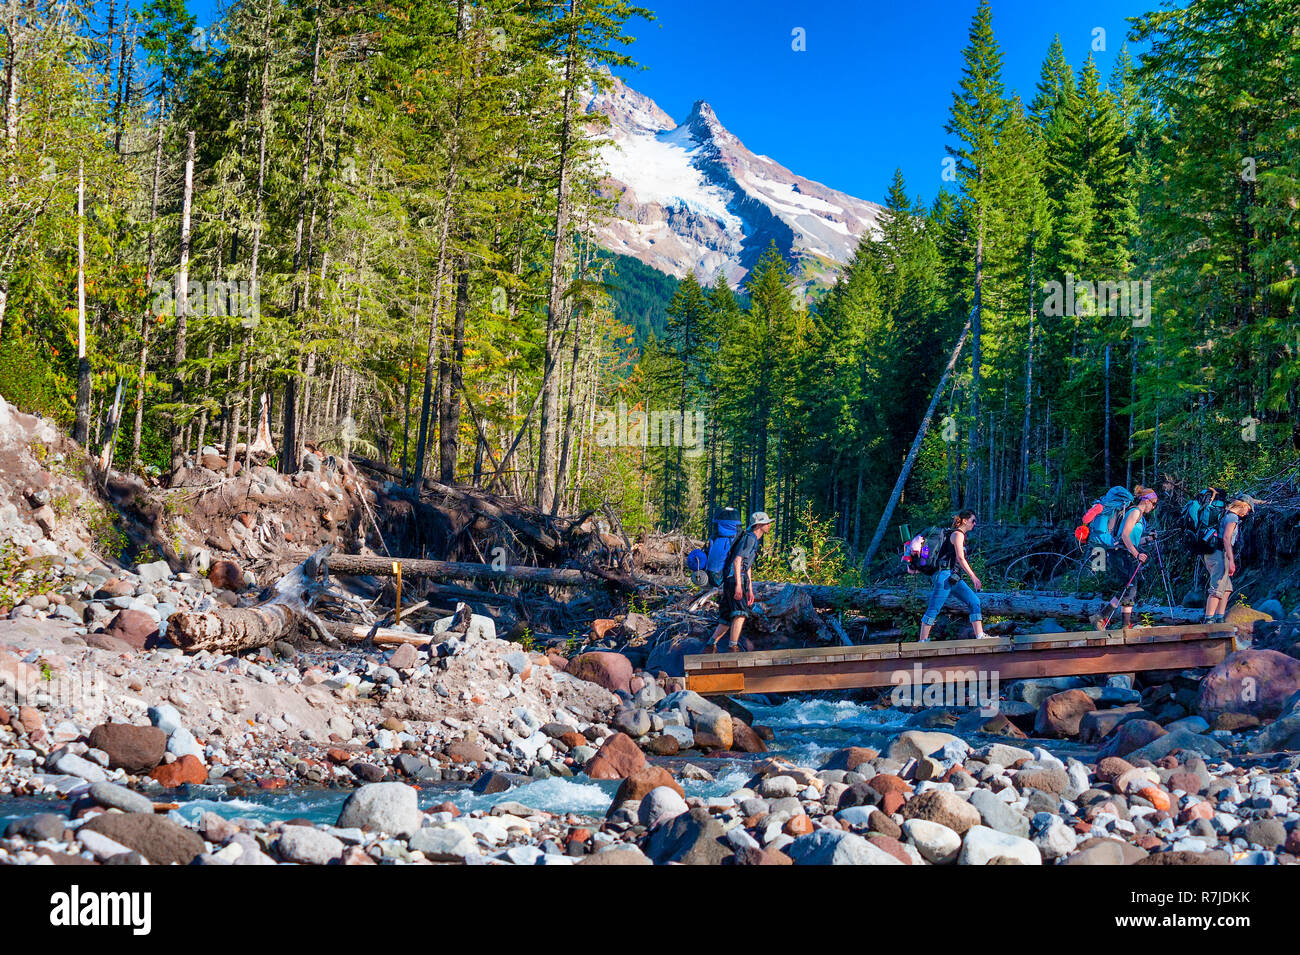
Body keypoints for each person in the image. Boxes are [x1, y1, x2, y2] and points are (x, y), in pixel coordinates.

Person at [1093, 484, 1158, 630]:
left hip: (1123, 553)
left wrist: (1148, 539)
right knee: (1130, 587)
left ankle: (1109, 620)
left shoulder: (1139, 517)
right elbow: (1124, 535)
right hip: (1120, 553)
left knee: (1128, 587)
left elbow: (1133, 539)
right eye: (1153, 504)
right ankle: (1109, 620)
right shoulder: (1135, 512)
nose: (1153, 507)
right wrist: (1137, 554)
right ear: (1146, 501)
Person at [707, 511, 773, 653]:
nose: (769, 525)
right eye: (767, 523)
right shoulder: (749, 538)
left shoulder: (752, 539)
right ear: (759, 525)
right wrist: (738, 585)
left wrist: (749, 588)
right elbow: (737, 561)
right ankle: (733, 647)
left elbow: (746, 565)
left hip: (733, 579)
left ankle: (710, 646)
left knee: (726, 617)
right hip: (734, 579)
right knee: (740, 613)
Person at [917, 509, 984, 643]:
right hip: (944, 576)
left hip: (953, 577)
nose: (974, 524)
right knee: (934, 608)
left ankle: (980, 636)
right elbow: (960, 557)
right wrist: (973, 577)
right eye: (973, 521)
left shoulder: (954, 534)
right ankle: (922, 641)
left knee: (974, 601)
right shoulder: (958, 534)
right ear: (965, 521)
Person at [1203, 495, 1258, 623]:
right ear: (1243, 505)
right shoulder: (1232, 517)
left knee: (1227, 588)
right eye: (1248, 509)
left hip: (1213, 554)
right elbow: (1226, 539)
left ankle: (1219, 618)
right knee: (1217, 588)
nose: (1247, 513)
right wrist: (1231, 561)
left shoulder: (1225, 514)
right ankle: (1209, 620)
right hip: (1218, 554)